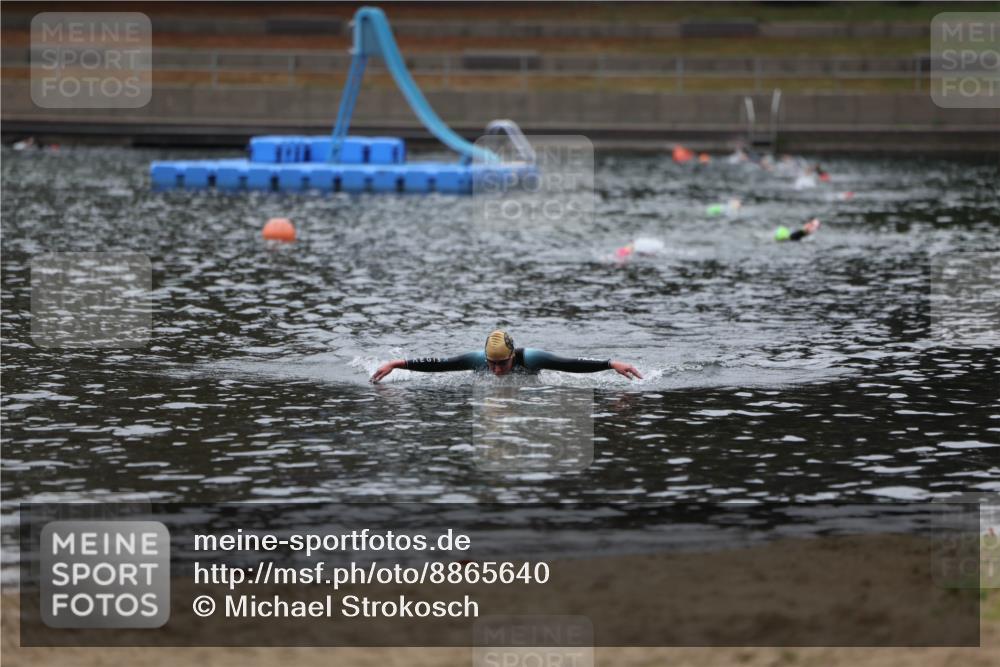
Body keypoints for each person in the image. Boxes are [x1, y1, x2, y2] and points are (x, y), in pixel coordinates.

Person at [371, 330, 643, 383]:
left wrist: (610, 364)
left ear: (513, 356)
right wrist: (396, 363)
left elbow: (570, 364)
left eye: (503, 363)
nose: (498, 370)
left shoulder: (532, 358)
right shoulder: (477, 359)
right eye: (493, 364)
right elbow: (441, 365)